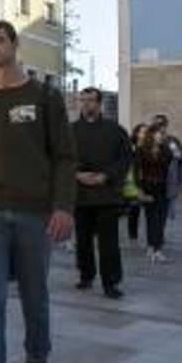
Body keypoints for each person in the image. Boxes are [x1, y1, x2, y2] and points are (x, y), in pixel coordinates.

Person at [0, 21, 76, 363]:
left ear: (15, 44)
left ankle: (36, 357)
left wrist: (63, 207)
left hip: (36, 213)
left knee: (34, 298)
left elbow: (64, 156)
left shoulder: (44, 96)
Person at [72, 88, 132, 300]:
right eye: (83, 100)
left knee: (109, 243)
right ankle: (86, 275)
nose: (86, 104)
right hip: (80, 195)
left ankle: (111, 283)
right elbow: (61, 158)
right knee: (83, 240)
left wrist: (106, 176)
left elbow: (125, 159)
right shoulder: (70, 130)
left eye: (90, 101)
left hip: (107, 195)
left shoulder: (115, 130)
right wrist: (77, 175)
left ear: (99, 104)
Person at [133, 124, 173, 264]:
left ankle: (157, 248)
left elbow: (171, 164)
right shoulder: (141, 150)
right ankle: (153, 247)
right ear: (152, 134)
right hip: (147, 187)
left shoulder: (166, 150)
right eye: (159, 133)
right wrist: (139, 190)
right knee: (151, 218)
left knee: (161, 220)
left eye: (163, 133)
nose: (162, 135)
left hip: (163, 188)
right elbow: (136, 172)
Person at [152, 114, 182, 220]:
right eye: (156, 125)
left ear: (166, 125)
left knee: (167, 211)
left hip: (170, 179)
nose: (159, 127)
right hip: (153, 180)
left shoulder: (172, 140)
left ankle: (161, 232)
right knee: (154, 212)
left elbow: (180, 156)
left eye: (162, 124)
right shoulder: (149, 140)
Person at [126, 124, 148, 245]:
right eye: (142, 132)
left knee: (150, 210)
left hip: (147, 181)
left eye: (146, 132)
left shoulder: (149, 148)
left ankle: (154, 235)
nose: (144, 135)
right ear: (137, 134)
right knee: (134, 210)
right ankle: (132, 236)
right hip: (133, 183)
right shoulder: (132, 148)